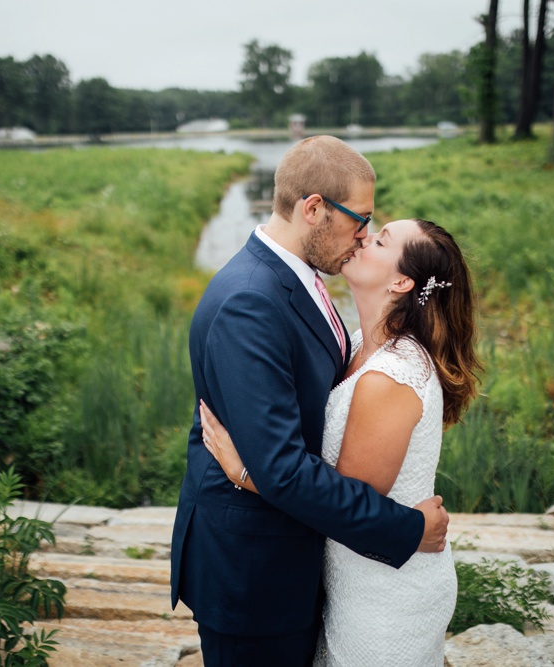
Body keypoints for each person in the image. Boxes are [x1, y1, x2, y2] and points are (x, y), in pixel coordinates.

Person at [170, 136, 452, 666]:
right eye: (359, 219)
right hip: (252, 575)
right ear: (314, 209)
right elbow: (281, 468)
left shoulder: (303, 281)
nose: (363, 235)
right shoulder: (250, 301)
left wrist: (247, 467)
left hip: (306, 566)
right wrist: (407, 528)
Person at [201, 216, 482, 664]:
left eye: (381, 239)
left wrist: (248, 472)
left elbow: (348, 502)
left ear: (403, 280)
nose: (363, 237)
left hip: (384, 593)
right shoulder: (356, 345)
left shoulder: (392, 374)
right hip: (354, 575)